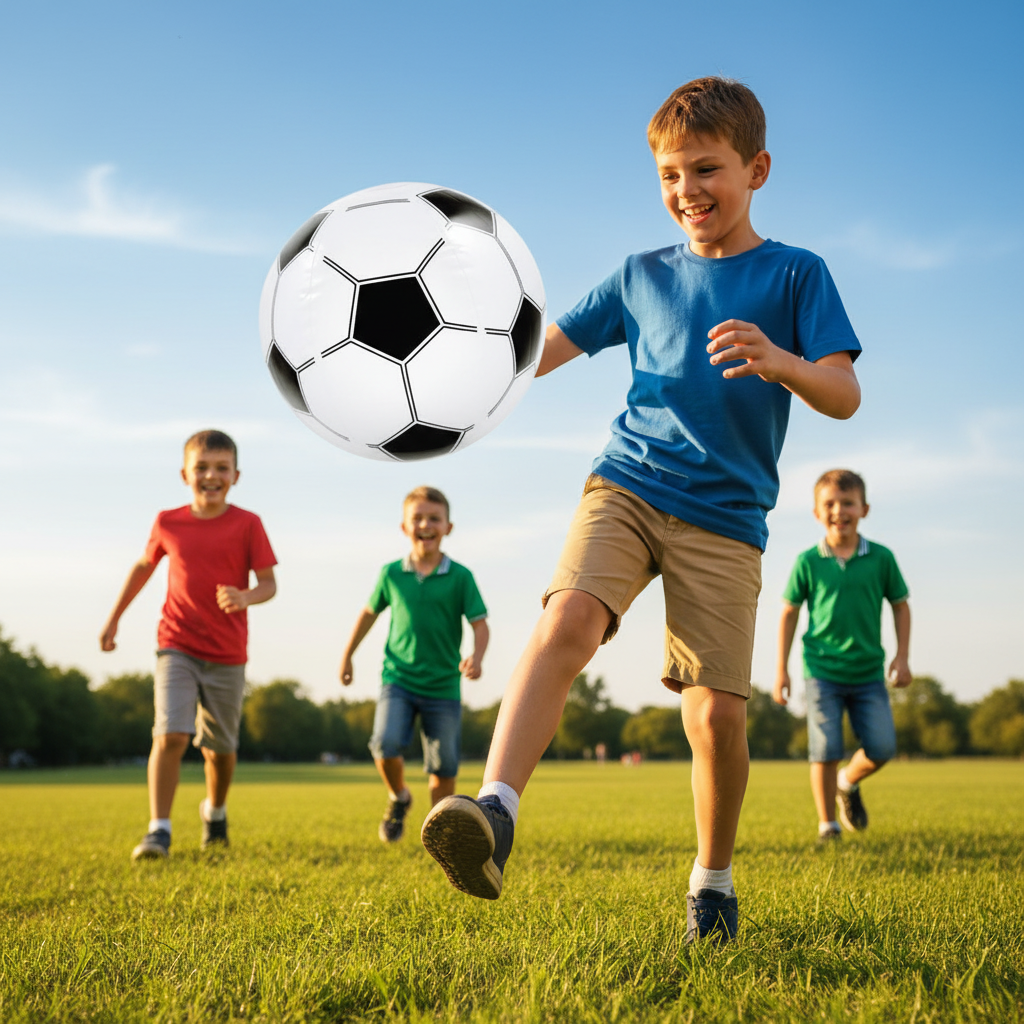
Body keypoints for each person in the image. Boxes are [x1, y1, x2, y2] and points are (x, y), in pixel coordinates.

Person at [420, 76, 863, 943]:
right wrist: (461, 367)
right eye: (669, 175)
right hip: (627, 482)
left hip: (728, 516)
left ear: (757, 169)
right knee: (568, 619)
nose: (686, 192)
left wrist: (783, 361)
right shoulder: (639, 275)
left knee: (715, 716)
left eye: (707, 170)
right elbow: (544, 350)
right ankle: (496, 812)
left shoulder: (797, 274)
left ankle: (713, 882)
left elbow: (844, 392)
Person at [99, 430, 277, 860]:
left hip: (228, 654)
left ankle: (214, 811)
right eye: (202, 467)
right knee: (170, 734)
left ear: (235, 475)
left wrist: (245, 596)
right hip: (175, 644)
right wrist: (114, 619)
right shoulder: (168, 522)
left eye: (221, 468)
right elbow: (143, 567)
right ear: (185, 474)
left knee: (221, 751)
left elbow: (268, 584)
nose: (211, 476)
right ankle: (158, 830)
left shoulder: (247, 523)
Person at [340, 486, 489, 844]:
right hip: (399, 680)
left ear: (448, 527)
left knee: (444, 769)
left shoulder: (460, 577)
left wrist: (477, 656)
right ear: (404, 527)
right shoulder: (391, 574)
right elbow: (368, 614)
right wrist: (347, 655)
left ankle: (439, 835)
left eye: (434, 518)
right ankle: (399, 797)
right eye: (417, 518)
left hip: (443, 687)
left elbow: (480, 624)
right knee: (385, 743)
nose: (426, 525)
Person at [774, 469, 911, 844]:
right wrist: (781, 671)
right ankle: (827, 826)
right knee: (825, 748)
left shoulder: (881, 558)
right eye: (830, 504)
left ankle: (847, 781)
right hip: (821, 670)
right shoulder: (808, 561)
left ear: (864, 508)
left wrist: (902, 657)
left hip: (868, 671)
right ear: (817, 513)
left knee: (882, 748)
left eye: (847, 503)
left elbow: (900, 605)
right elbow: (789, 613)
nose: (839, 511)